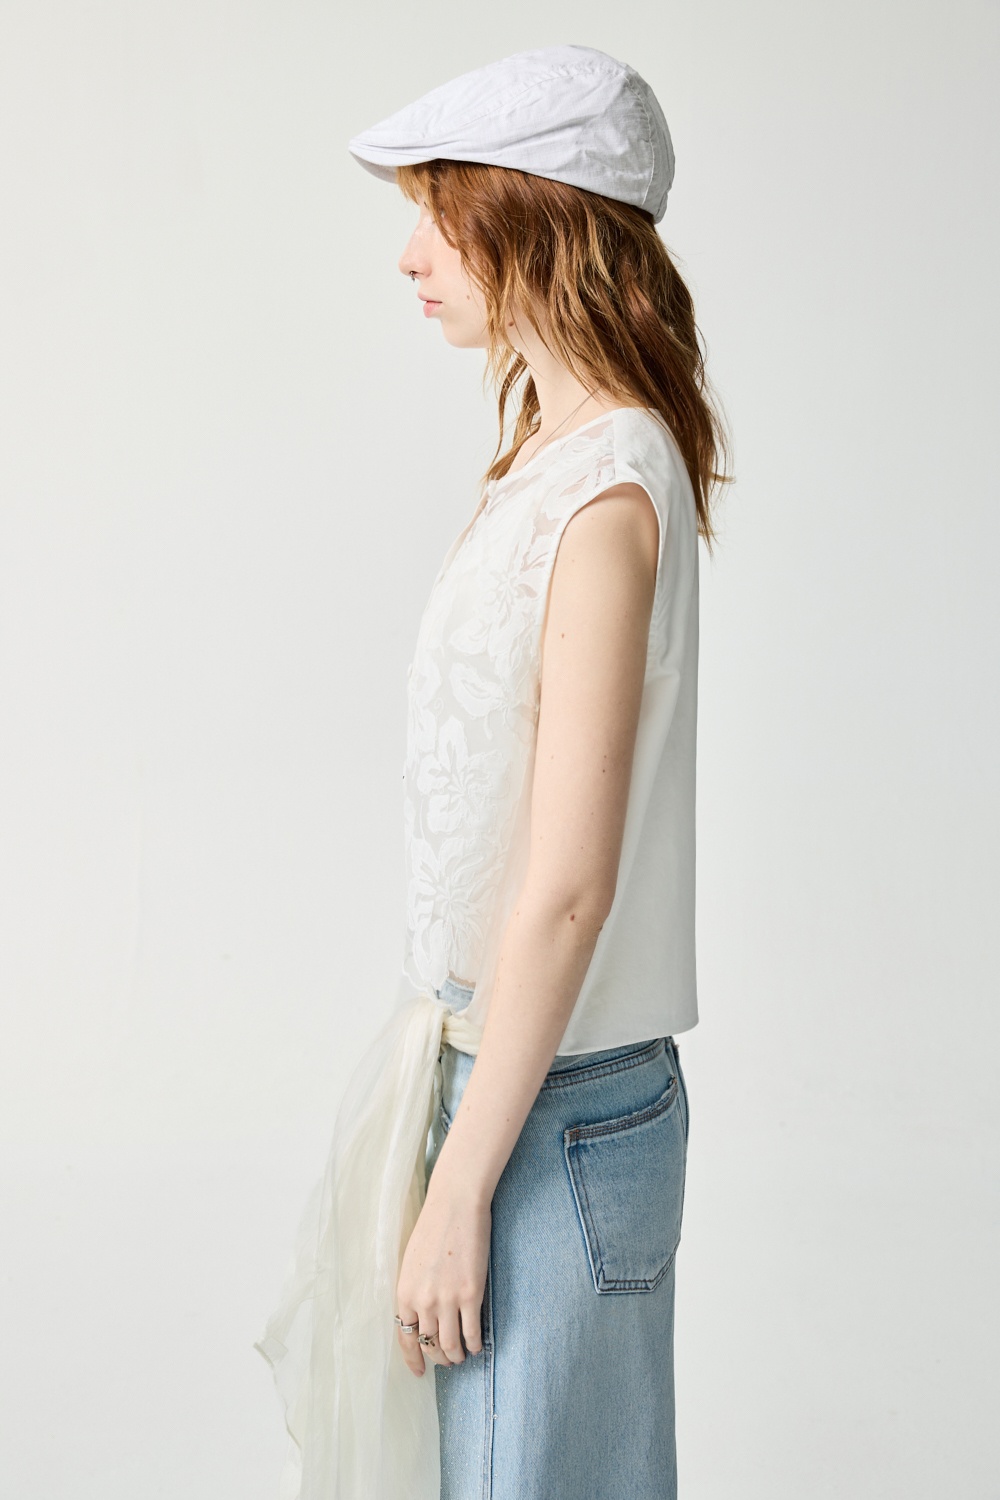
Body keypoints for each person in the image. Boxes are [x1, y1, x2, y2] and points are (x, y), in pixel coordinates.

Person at [255, 44, 730, 1500]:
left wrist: (464, 1184)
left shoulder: (606, 486)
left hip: (553, 1109)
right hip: (506, 1086)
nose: (410, 256)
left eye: (441, 217)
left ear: (538, 220)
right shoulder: (551, 459)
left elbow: (570, 887)